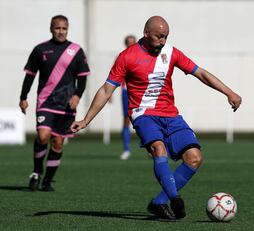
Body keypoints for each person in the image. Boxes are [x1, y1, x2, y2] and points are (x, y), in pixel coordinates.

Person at [70, 16, 241, 219]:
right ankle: (175, 199)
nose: (163, 41)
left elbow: (201, 73)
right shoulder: (127, 57)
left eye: (166, 37)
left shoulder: (171, 53)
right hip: (143, 114)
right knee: (158, 148)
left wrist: (229, 92)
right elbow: (107, 90)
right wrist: (86, 120)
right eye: (159, 36)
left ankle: (159, 202)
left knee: (194, 158)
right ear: (146, 33)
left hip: (171, 115)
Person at [19, 15, 90, 191]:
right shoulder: (40, 49)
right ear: (51, 29)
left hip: (66, 105)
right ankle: (36, 171)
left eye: (64, 28)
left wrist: (78, 95)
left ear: (68, 29)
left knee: (57, 143)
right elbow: (30, 75)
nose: (61, 31)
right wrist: (23, 97)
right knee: (43, 136)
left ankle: (47, 181)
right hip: (45, 101)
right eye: (58, 28)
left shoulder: (76, 50)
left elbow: (82, 77)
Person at [119, 35, 137, 160]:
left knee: (146, 118)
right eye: (128, 43)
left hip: (141, 92)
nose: (131, 45)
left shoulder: (143, 55)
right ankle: (126, 149)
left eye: (132, 43)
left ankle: (150, 146)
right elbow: (115, 76)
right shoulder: (122, 57)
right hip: (126, 92)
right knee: (126, 120)